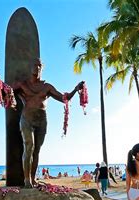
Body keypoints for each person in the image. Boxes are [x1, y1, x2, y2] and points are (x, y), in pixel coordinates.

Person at [10, 58, 85, 188]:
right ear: (30, 68)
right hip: (27, 119)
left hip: (41, 121)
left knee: (36, 150)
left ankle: (33, 178)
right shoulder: (22, 85)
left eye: (39, 66)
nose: (37, 68)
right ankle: (26, 180)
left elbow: (64, 98)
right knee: (29, 146)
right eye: (35, 65)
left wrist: (75, 89)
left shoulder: (47, 87)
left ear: (42, 68)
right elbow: (6, 91)